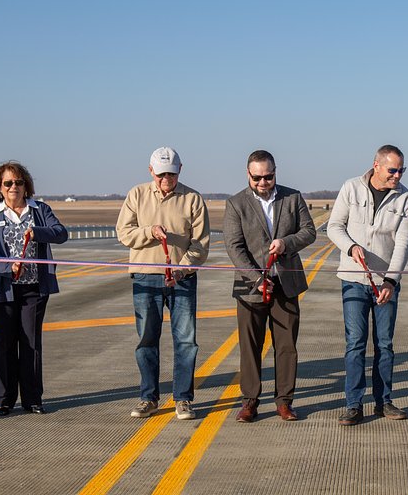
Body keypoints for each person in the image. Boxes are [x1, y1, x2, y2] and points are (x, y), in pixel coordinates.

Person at [116, 147, 210, 421]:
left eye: (170, 173)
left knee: (185, 341)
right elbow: (124, 233)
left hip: (182, 280)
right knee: (147, 339)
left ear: (180, 170)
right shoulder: (137, 194)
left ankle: (183, 399)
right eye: (160, 174)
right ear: (151, 171)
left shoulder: (192, 198)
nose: (165, 179)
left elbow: (201, 244)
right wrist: (150, 232)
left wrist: (181, 269)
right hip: (146, 276)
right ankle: (148, 397)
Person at [224, 150, 316, 423]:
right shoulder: (235, 204)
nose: (263, 182)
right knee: (250, 346)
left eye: (268, 176)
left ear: (276, 172)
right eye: (257, 177)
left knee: (286, 346)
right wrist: (256, 277)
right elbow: (234, 247)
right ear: (248, 174)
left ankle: (284, 402)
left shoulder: (293, 197)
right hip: (250, 287)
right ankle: (250, 402)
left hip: (286, 284)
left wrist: (287, 243)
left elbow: (309, 231)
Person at [327, 144, 408, 426]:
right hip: (353, 279)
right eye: (392, 170)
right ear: (376, 165)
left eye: (402, 170)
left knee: (385, 344)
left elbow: (403, 243)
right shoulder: (351, 188)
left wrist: (391, 279)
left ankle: (384, 402)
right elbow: (334, 227)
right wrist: (350, 246)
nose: (397, 175)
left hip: (385, 284)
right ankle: (354, 404)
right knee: (355, 343)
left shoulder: (406, 199)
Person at [0, 162, 68, 416]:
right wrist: (7, 267)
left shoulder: (40, 210)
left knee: (31, 343)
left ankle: (32, 398)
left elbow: (61, 233)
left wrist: (36, 232)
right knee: (4, 343)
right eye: (8, 183)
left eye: (18, 182)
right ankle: (3, 399)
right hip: (1, 290)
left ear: (26, 185)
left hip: (34, 288)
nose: (14, 187)